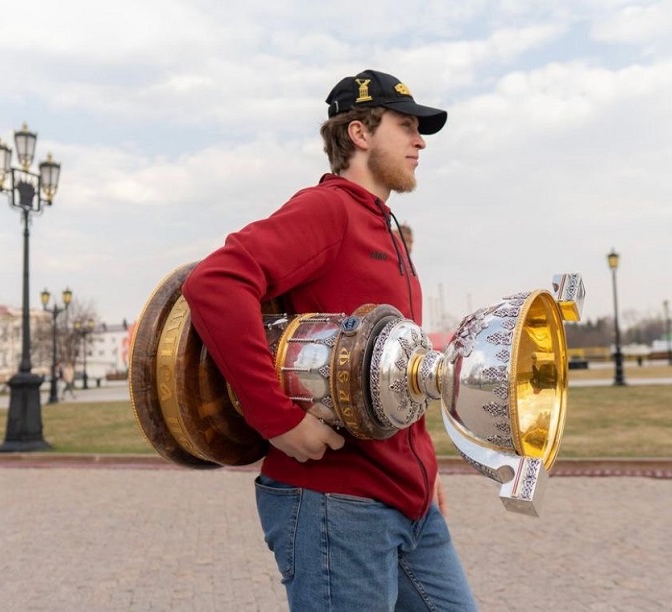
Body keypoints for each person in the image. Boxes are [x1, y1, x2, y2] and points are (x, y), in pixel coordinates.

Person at [182, 69, 476, 611]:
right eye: (406, 125)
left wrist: (422, 468)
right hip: (336, 505)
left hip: (409, 502)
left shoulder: (385, 226)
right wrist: (279, 419)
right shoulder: (330, 210)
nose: (420, 141)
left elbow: (396, 369)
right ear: (360, 133)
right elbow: (216, 283)